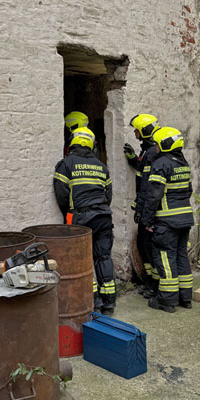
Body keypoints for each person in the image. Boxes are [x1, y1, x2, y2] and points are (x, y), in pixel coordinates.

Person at [53, 126, 116, 313]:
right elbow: (108, 195)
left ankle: (94, 300)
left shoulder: (67, 164)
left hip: (81, 218)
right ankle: (109, 300)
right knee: (103, 256)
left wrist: (70, 212)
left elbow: (61, 194)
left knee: (83, 259)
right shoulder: (101, 166)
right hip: (103, 216)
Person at [140, 127, 194, 313]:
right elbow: (188, 191)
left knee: (165, 258)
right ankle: (185, 297)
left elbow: (154, 195)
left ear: (164, 144)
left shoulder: (161, 163)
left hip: (166, 221)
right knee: (181, 256)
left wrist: (146, 220)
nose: (155, 147)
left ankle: (167, 301)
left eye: (157, 143)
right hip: (185, 219)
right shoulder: (182, 163)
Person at [124, 114, 160, 297]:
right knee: (143, 244)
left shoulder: (153, 153)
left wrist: (143, 210)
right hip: (145, 207)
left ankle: (155, 286)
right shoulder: (147, 151)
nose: (135, 133)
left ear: (144, 131)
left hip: (149, 210)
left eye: (137, 130)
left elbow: (149, 185)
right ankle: (150, 282)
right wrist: (133, 160)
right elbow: (142, 173)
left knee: (149, 246)